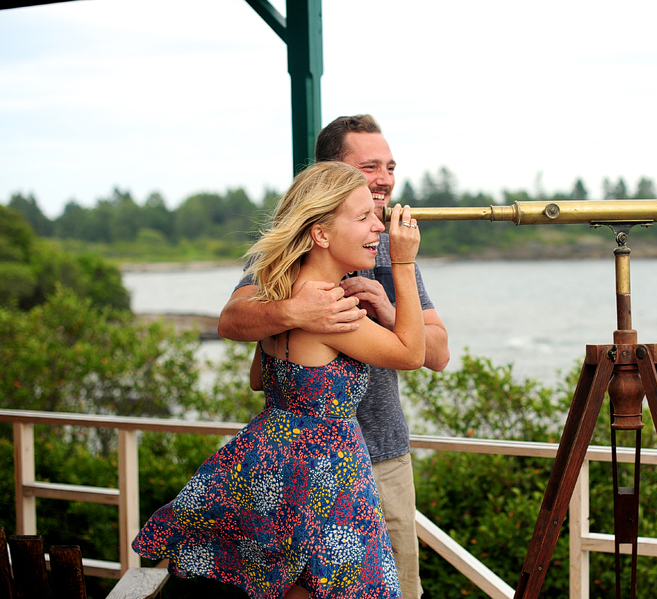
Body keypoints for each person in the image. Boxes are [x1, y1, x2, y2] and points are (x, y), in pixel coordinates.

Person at [133, 161, 424, 599]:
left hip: (272, 460)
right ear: (321, 234)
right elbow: (412, 353)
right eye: (363, 218)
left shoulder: (280, 292)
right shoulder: (331, 310)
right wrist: (403, 263)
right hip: (328, 472)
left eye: (375, 217)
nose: (378, 229)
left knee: (287, 586)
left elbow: (257, 378)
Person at [218, 115, 449, 599]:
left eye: (390, 166)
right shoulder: (321, 287)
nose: (384, 179)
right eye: (369, 167)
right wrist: (296, 311)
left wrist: (387, 309)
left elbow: (437, 353)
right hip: (329, 471)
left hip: (340, 459)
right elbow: (232, 320)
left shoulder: (338, 254)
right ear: (328, 178)